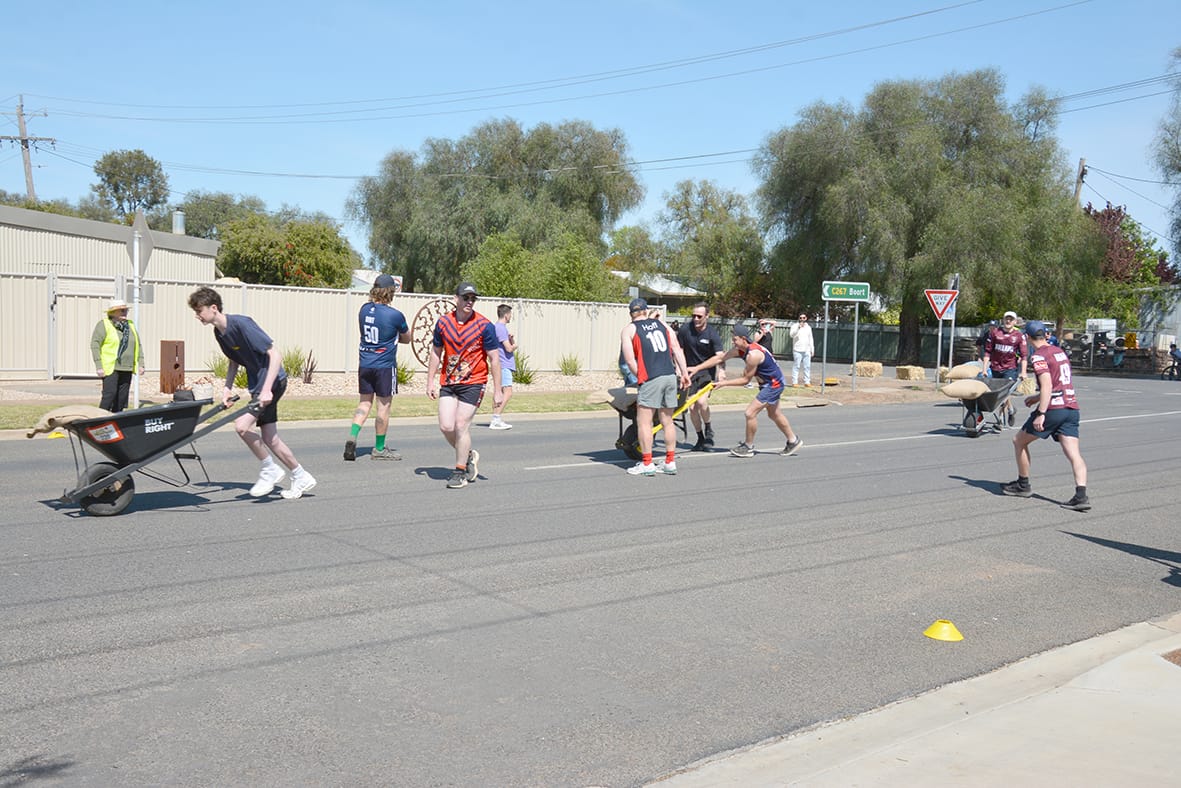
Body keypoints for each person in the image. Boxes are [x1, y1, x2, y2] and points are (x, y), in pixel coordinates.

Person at [188, 287, 316, 499]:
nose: (197, 315)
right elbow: (233, 362)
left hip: (273, 382)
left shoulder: (242, 324)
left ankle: (270, 469)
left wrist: (266, 390)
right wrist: (227, 389)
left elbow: (275, 355)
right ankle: (300, 475)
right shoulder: (219, 333)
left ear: (213, 308)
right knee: (270, 438)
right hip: (261, 385)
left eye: (199, 310)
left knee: (241, 426)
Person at [1001, 320, 1090, 511]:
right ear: (1046, 335)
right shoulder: (1059, 351)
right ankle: (1081, 495)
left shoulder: (1039, 356)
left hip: (1053, 409)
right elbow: (1059, 384)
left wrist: (1041, 412)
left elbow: (1048, 385)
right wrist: (1035, 398)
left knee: (1019, 441)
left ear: (1027, 337)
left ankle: (1023, 485)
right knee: (1074, 454)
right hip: (1071, 408)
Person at [427, 282, 503, 489]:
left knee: (461, 425)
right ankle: (468, 454)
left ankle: (459, 471)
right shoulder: (443, 324)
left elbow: (494, 359)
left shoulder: (484, 325)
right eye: (466, 297)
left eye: (473, 299)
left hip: (474, 381)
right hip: (449, 381)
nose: (469, 302)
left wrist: (498, 391)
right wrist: (430, 381)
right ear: (456, 299)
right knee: (446, 426)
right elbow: (436, 352)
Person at [689, 323, 803, 458]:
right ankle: (793, 440)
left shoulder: (753, 355)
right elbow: (720, 358)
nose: (733, 342)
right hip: (768, 383)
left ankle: (748, 447)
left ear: (743, 338)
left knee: (750, 413)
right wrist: (697, 368)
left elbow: (745, 380)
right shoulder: (741, 349)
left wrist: (724, 383)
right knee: (774, 414)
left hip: (773, 385)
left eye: (734, 339)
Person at [620, 297, 691, 476]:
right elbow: (676, 348)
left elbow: (629, 360)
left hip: (651, 377)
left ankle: (647, 463)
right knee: (667, 421)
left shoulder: (629, 329)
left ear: (631, 314)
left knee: (644, 422)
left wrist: (641, 378)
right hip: (669, 375)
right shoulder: (662, 325)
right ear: (646, 310)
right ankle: (669, 462)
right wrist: (684, 373)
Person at [344, 273, 410, 462]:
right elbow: (407, 338)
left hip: (365, 363)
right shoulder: (395, 315)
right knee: (383, 407)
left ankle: (352, 436)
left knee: (364, 403)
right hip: (384, 366)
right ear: (390, 292)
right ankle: (379, 449)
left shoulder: (363, 310)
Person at [676, 302, 726, 451]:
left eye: (699, 316)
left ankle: (709, 431)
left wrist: (722, 371)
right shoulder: (685, 330)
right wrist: (680, 370)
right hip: (689, 373)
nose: (696, 319)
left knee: (702, 403)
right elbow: (678, 351)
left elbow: (720, 356)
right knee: (692, 407)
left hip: (706, 373)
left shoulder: (712, 333)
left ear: (707, 316)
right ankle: (700, 438)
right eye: (693, 316)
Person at [91, 299, 145, 413]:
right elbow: (95, 344)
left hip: (128, 366)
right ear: (113, 313)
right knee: (109, 395)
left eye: (125, 310)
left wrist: (141, 364)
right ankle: (99, 419)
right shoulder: (104, 324)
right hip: (111, 367)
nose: (124, 312)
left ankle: (117, 420)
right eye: (121, 310)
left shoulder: (130, 325)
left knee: (122, 398)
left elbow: (138, 345)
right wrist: (99, 365)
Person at [981, 310, 1029, 426]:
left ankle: (1000, 420)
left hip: (1010, 369)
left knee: (1004, 393)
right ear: (1003, 320)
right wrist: (984, 369)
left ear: (1015, 322)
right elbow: (987, 352)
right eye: (1006, 319)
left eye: (1011, 319)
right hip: (995, 367)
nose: (1008, 321)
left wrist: (1023, 372)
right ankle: (1011, 409)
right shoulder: (995, 333)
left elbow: (1024, 355)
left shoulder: (1019, 336)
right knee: (998, 393)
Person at [490, 304, 517, 430]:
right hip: (504, 364)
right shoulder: (500, 328)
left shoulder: (497, 328)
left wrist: (510, 339)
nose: (511, 316)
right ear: (506, 315)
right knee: (508, 392)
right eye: (510, 314)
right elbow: (508, 348)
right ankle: (496, 418)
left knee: (499, 392)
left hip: (501, 364)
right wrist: (514, 344)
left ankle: (496, 418)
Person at [788, 312, 815, 387]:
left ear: (806, 318)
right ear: (798, 318)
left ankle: (807, 381)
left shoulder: (808, 327)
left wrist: (812, 349)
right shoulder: (794, 326)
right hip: (797, 349)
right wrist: (798, 328)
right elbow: (791, 335)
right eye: (801, 318)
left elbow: (810, 339)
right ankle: (794, 382)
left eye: (804, 318)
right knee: (797, 366)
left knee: (807, 366)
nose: (802, 319)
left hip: (806, 349)